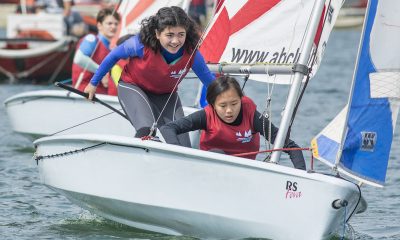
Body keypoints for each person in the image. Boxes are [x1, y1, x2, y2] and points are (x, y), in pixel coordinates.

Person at [84, 6, 215, 147]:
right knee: (146, 131)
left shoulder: (191, 53)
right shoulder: (140, 44)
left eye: (181, 34)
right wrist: (93, 83)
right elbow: (113, 56)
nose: (176, 41)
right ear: (158, 33)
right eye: (170, 35)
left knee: (182, 145)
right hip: (133, 87)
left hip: (165, 96)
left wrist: (235, 102)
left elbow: (211, 82)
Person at [160, 76, 307, 170]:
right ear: (212, 105)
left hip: (244, 172)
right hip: (211, 170)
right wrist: (179, 160)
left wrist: (301, 176)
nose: (229, 110)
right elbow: (168, 128)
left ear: (241, 100)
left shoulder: (252, 116)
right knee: (216, 153)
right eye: (223, 106)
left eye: (235, 104)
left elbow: (290, 147)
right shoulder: (206, 115)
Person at [72, 8, 120, 95]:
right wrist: (102, 72)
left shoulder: (112, 49)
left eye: (116, 24)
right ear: (99, 25)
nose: (113, 27)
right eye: (109, 23)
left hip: (102, 96)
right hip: (85, 93)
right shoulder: (92, 39)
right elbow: (79, 59)